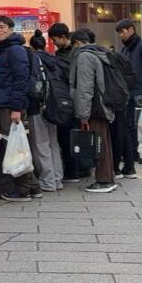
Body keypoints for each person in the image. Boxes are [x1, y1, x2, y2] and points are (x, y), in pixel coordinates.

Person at [0, 15, 40, 201]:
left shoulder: (14, 50)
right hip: (6, 103)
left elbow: (21, 80)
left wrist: (16, 108)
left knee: (14, 147)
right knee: (17, 144)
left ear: (11, 29)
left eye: (2, 27)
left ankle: (22, 190)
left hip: (11, 106)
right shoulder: (5, 50)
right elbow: (3, 78)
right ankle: (34, 187)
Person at [68, 29, 117, 193]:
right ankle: (108, 178)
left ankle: (104, 181)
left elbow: (85, 88)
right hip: (103, 105)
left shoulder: (84, 57)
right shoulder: (99, 52)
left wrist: (83, 114)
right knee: (104, 143)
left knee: (98, 144)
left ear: (77, 43)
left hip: (94, 107)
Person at [28, 29, 65, 192]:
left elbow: (34, 84)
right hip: (54, 106)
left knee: (41, 144)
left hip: (38, 106)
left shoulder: (33, 59)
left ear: (32, 46)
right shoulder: (53, 59)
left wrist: (34, 99)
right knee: (53, 143)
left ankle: (47, 180)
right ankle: (57, 179)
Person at [117, 18, 142, 169]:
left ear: (131, 29)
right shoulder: (124, 49)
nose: (121, 35)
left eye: (122, 31)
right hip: (128, 91)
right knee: (130, 124)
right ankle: (133, 152)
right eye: (119, 32)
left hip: (140, 91)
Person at [49, 23, 81, 183]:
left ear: (63, 37)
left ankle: (73, 171)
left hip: (70, 101)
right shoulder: (64, 54)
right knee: (69, 136)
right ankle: (77, 170)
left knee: (68, 137)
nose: (54, 43)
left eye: (55, 40)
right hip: (68, 100)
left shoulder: (75, 54)